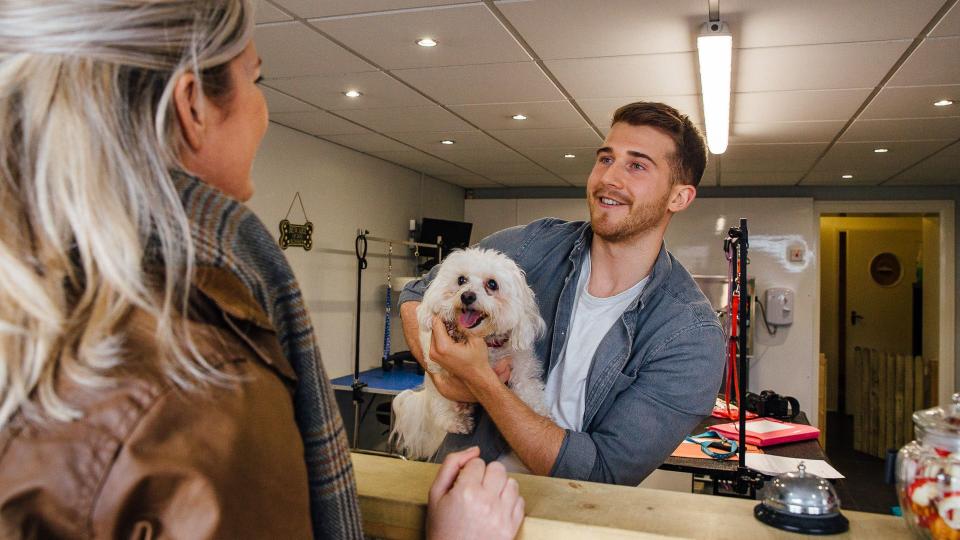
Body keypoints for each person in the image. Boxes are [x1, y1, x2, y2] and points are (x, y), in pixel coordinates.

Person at [0, 1, 522, 539]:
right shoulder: (202, 361)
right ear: (192, 106)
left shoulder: (49, 285)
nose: (264, 109)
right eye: (256, 78)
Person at [399, 102, 726, 486]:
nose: (609, 178)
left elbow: (604, 470)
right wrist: (443, 377)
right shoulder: (530, 245)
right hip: (464, 498)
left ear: (679, 197)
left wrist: (481, 382)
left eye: (636, 165)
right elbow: (417, 294)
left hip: (572, 513)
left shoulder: (691, 335)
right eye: (606, 159)